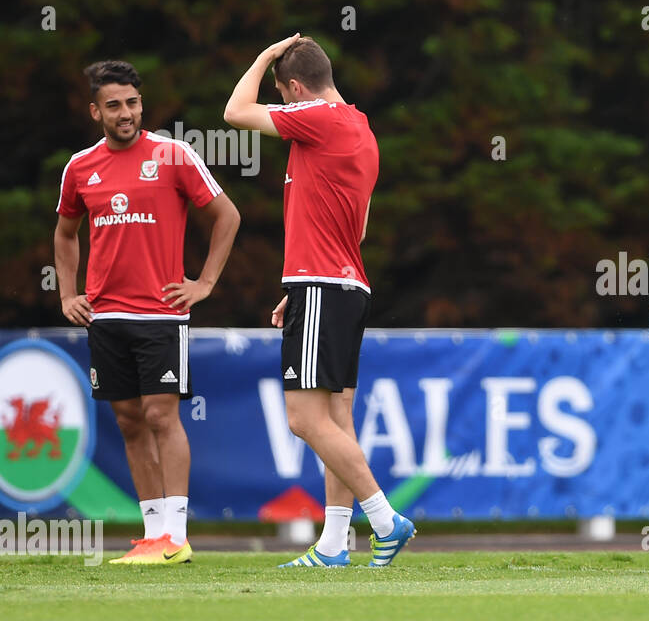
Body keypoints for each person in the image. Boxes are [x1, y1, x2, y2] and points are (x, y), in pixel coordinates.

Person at [224, 35, 413, 568]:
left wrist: (262, 56)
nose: (283, 108)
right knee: (337, 420)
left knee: (304, 421)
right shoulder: (362, 128)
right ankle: (333, 545)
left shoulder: (316, 116)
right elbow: (361, 224)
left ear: (296, 89)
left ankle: (384, 521)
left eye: (284, 96)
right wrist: (301, 286)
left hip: (322, 285)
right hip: (347, 285)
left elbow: (235, 112)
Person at [54, 60, 241, 565]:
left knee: (162, 414)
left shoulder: (173, 154)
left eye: (132, 103)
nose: (125, 113)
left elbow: (227, 215)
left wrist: (203, 283)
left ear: (142, 104)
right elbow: (66, 233)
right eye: (113, 105)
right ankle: (154, 536)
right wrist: (68, 294)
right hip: (105, 316)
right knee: (130, 420)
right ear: (96, 111)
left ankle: (176, 537)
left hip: (161, 313)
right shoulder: (80, 167)